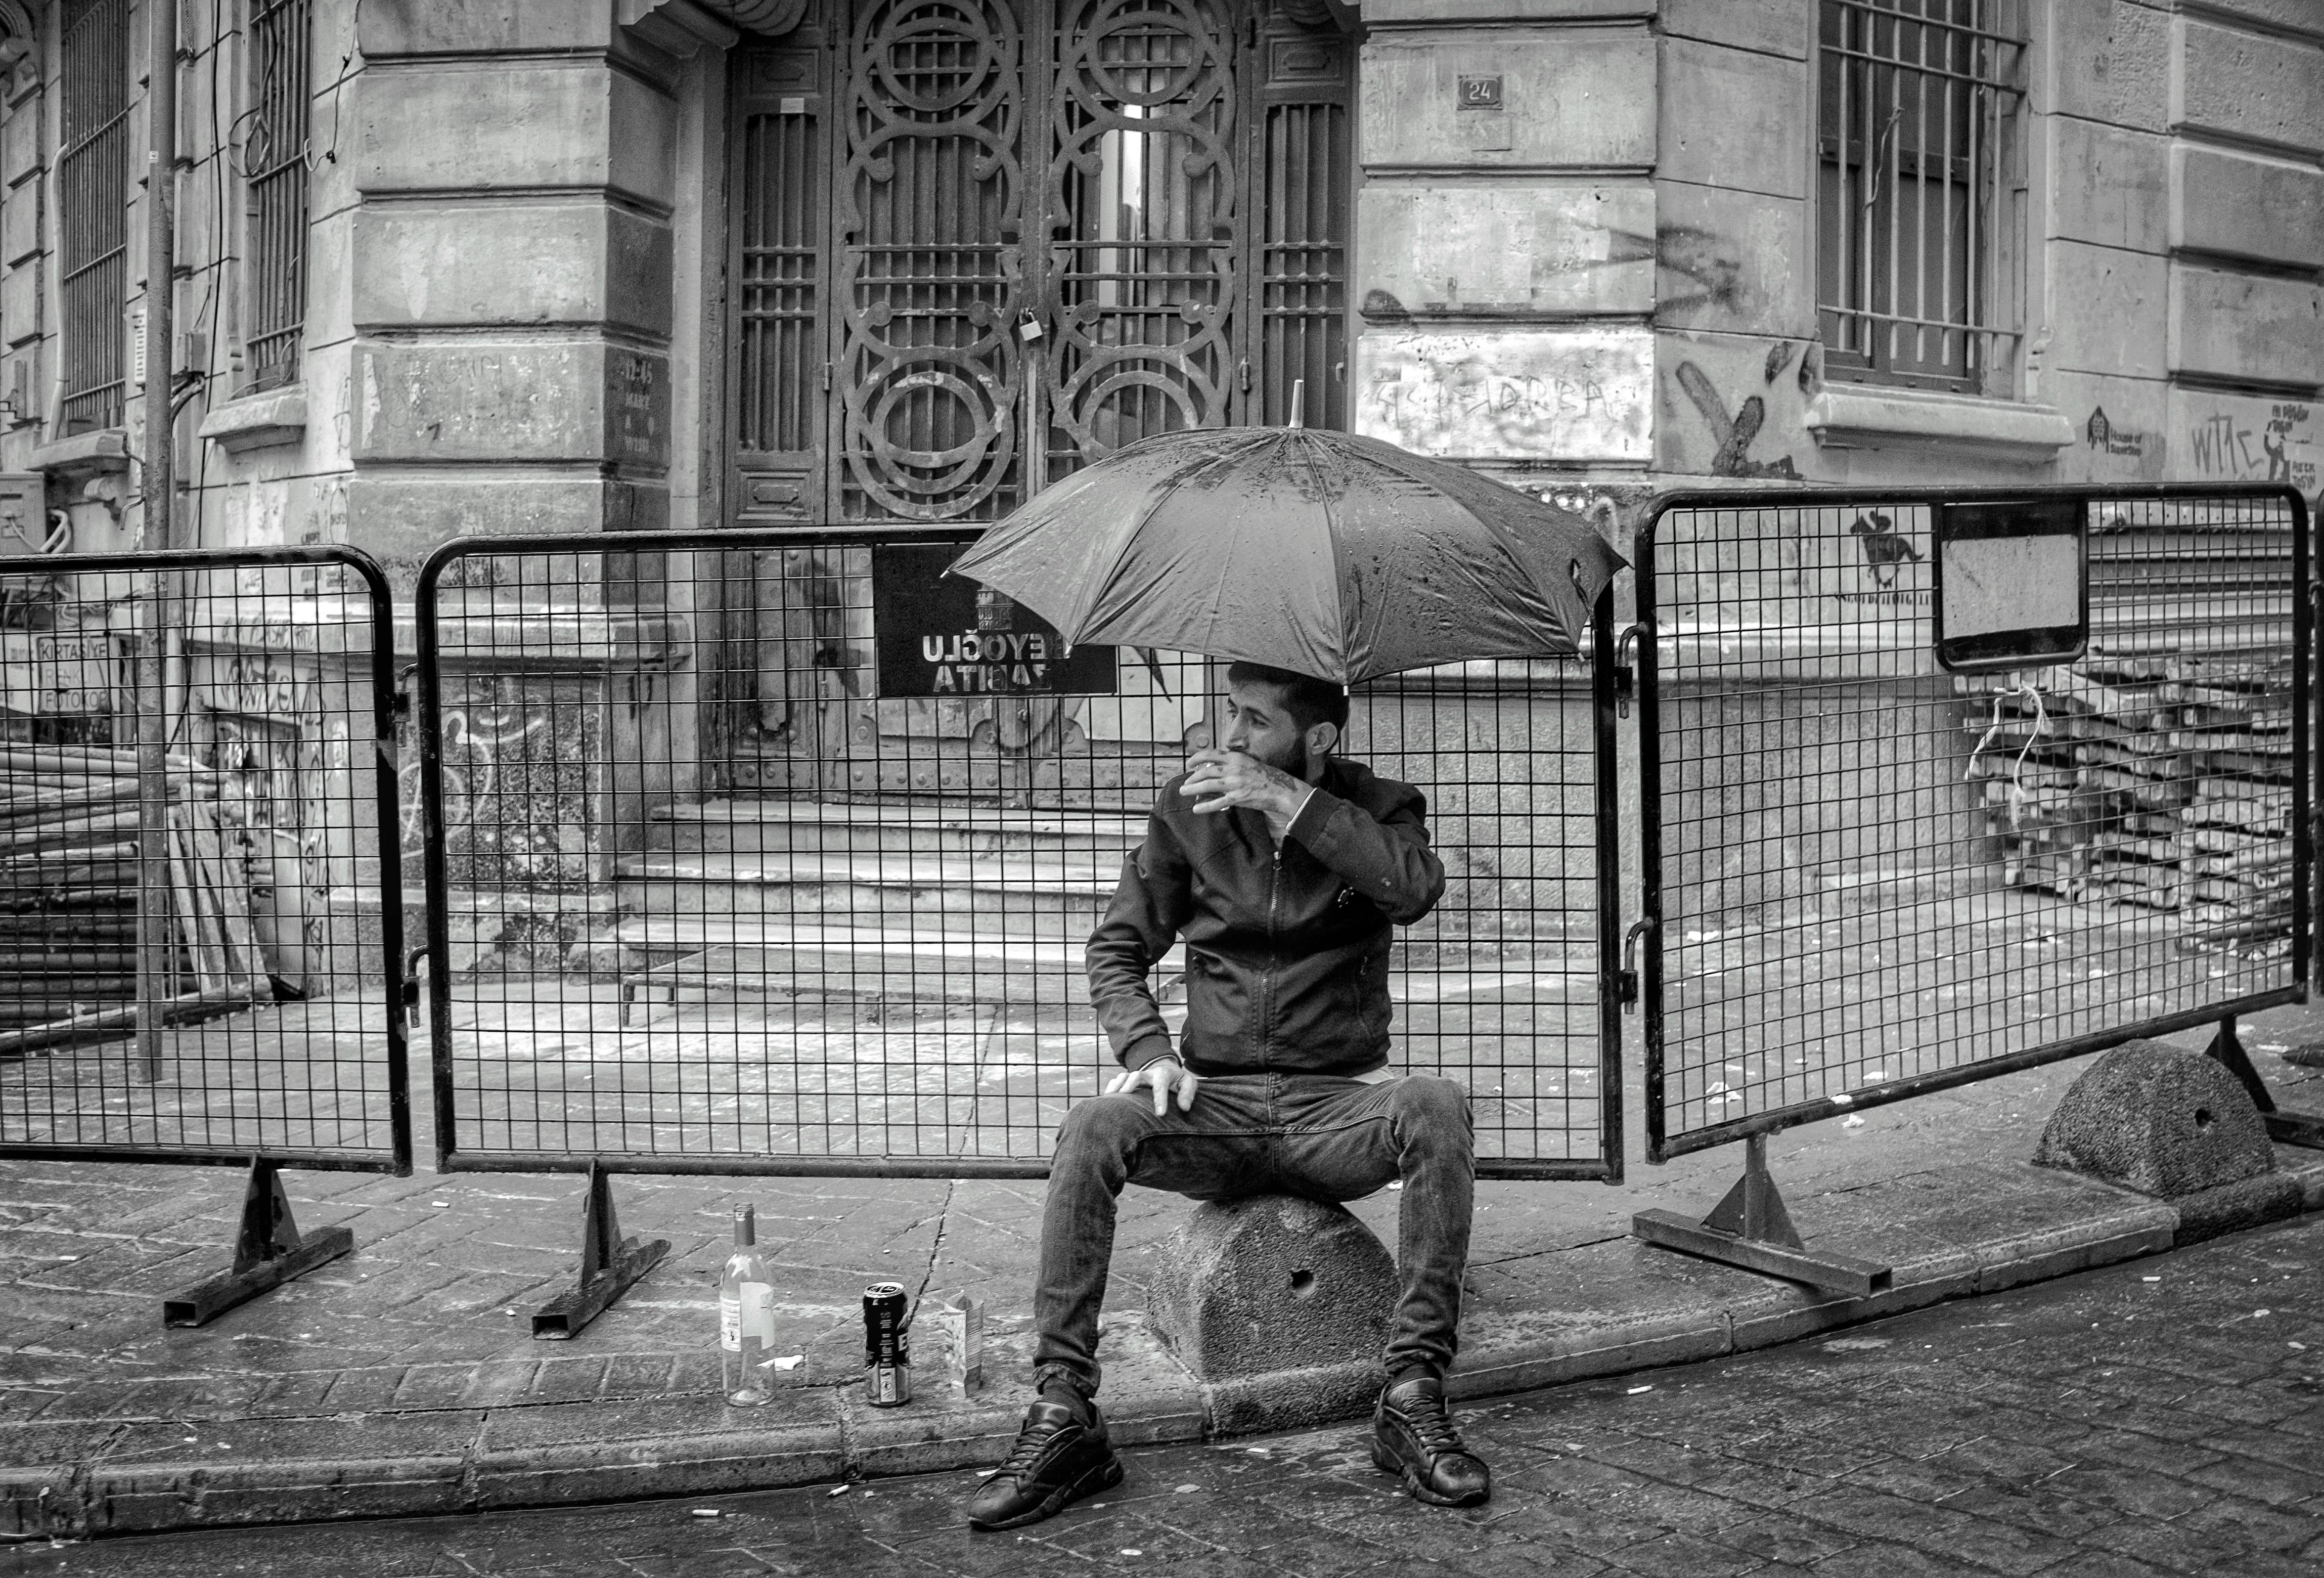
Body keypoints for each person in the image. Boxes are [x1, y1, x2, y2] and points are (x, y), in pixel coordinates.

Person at [965, 661, 1489, 1531]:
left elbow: (1415, 889)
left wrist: (1291, 804)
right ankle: (1065, 1416)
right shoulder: (1189, 806)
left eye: (1255, 723)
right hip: (1216, 1108)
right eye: (1230, 716)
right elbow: (1117, 948)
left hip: (1334, 1111)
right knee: (1093, 1126)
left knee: (1435, 1104)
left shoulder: (1382, 806)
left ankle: (1411, 1394)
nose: (1232, 739)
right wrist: (1148, 1048)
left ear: (1317, 739)